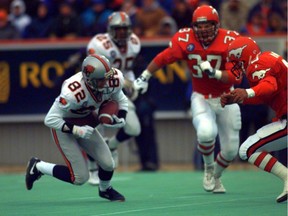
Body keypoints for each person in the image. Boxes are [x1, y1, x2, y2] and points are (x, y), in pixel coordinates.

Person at [134, 5, 242, 193]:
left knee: (232, 149)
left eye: (207, 25)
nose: (202, 30)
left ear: (216, 25)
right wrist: (145, 76)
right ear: (193, 26)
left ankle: (216, 175)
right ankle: (208, 168)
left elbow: (236, 75)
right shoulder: (185, 38)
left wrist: (215, 73)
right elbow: (164, 58)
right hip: (201, 96)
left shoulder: (230, 40)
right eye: (198, 26)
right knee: (206, 133)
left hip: (227, 96)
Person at [25, 54, 128, 202]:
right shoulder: (72, 92)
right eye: (101, 80)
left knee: (108, 163)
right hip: (64, 125)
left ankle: (105, 190)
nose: (106, 83)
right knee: (80, 178)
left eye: (107, 77)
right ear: (89, 79)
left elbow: (121, 98)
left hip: (85, 122)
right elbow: (50, 119)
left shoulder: (113, 78)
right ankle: (39, 166)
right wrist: (76, 130)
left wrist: (122, 117)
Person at [221, 36, 287, 203]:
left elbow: (269, 85)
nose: (236, 66)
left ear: (244, 55)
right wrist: (239, 98)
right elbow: (268, 94)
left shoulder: (257, 65)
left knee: (247, 150)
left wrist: (247, 92)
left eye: (236, 61)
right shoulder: (266, 58)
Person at [86, 11, 142, 184]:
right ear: (110, 29)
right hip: (97, 89)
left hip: (118, 91)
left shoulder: (134, 43)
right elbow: (96, 71)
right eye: (118, 29)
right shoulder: (98, 44)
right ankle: (93, 169)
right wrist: (124, 81)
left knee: (133, 129)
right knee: (95, 129)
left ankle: (112, 145)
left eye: (125, 29)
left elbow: (128, 68)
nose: (123, 33)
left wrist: (133, 83)